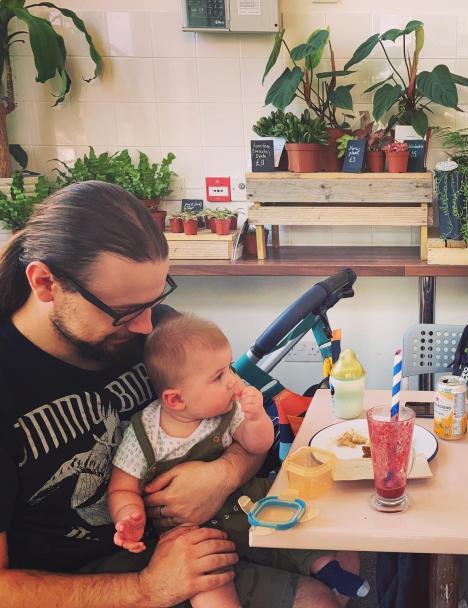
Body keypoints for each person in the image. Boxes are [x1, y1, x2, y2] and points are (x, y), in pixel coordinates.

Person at [0, 181, 357, 607]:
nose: (147, 326)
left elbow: (237, 425)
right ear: (45, 283)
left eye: (157, 297)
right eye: (125, 313)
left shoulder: (162, 340)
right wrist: (146, 588)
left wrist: (223, 474)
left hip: (196, 540)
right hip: (86, 587)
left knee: (334, 577)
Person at [109, 313, 369, 606]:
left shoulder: (228, 410)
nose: (234, 381)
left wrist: (256, 416)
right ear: (176, 400)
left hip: (248, 507)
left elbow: (259, 444)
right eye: (219, 376)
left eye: (230, 368)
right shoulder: (144, 432)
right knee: (210, 588)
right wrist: (128, 516)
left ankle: (326, 567)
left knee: (293, 527)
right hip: (198, 540)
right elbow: (122, 487)